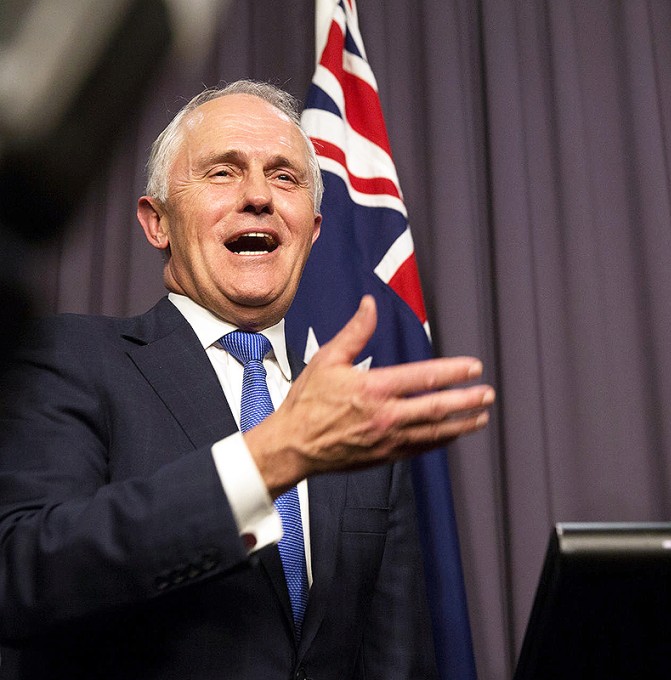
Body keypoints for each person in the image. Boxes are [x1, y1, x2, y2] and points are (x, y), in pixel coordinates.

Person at [0, 80, 494, 679]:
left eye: (284, 177)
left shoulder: (346, 415)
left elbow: (397, 658)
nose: (258, 196)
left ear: (311, 233)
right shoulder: (71, 358)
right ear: (157, 222)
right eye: (223, 173)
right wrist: (271, 457)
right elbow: (26, 572)